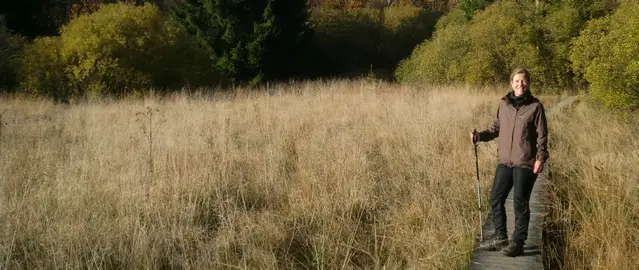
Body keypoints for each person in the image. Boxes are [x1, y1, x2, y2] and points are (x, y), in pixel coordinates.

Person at [470, 67, 549, 257]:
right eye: (516, 81)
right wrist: (480, 136)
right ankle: (500, 237)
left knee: (520, 203)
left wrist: (540, 158)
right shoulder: (504, 104)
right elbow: (496, 128)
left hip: (525, 162)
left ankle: (518, 243)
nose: (520, 84)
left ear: (528, 83)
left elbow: (542, 136)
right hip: (505, 161)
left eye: (523, 81)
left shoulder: (535, 106)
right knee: (496, 198)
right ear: (511, 83)